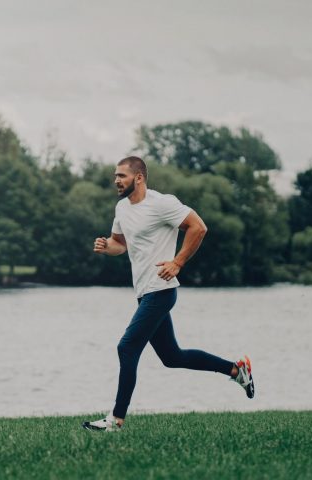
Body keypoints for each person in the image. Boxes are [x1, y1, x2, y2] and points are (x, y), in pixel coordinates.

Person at [82, 156, 254, 432]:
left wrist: (178, 262)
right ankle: (236, 370)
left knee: (126, 347)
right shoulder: (121, 208)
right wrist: (106, 246)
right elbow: (120, 245)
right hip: (144, 292)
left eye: (122, 176)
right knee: (173, 357)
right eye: (115, 175)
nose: (116, 180)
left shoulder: (162, 203)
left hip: (160, 291)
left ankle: (115, 420)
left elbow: (199, 227)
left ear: (138, 177)